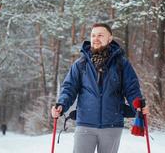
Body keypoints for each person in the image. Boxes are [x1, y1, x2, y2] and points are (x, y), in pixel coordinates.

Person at [51, 23, 148, 153]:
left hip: (112, 124)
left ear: (110, 38)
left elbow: (132, 88)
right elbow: (69, 88)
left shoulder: (121, 63)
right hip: (85, 123)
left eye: (100, 35)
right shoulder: (81, 64)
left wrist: (138, 105)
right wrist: (61, 104)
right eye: (93, 35)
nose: (96, 38)